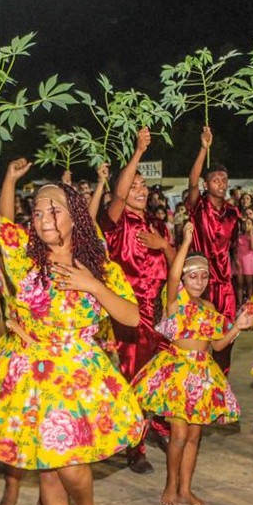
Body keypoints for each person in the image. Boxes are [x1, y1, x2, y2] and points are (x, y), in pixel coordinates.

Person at [0, 118, 144, 505]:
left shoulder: (97, 260)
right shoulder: (21, 251)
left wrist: (90, 284)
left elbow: (132, 318)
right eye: (37, 212)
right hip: (33, 375)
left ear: (74, 215)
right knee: (48, 469)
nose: (42, 219)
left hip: (80, 373)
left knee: (74, 469)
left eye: (52, 210)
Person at [133, 222, 248, 505]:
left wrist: (238, 327)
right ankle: (171, 486)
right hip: (177, 371)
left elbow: (218, 345)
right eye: (193, 276)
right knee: (179, 434)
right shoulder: (176, 303)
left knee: (195, 435)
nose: (199, 281)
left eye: (203, 277)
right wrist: (184, 242)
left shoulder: (209, 309)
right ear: (184, 280)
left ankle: (186, 488)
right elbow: (173, 276)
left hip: (202, 372)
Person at [100, 127, 174, 475]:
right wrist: (138, 151)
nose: (141, 191)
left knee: (158, 376)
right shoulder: (114, 222)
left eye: (144, 187)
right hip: (130, 315)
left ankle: (156, 427)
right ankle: (135, 448)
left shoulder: (157, 225)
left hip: (158, 312)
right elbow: (116, 192)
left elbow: (176, 267)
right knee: (133, 379)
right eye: (135, 186)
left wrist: (165, 247)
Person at [184, 126, 240, 374]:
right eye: (216, 180)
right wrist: (203, 148)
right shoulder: (199, 207)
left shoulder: (233, 213)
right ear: (207, 184)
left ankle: (219, 391)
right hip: (200, 283)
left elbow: (233, 249)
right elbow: (192, 181)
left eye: (224, 180)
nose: (221, 184)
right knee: (197, 338)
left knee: (226, 340)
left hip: (225, 286)